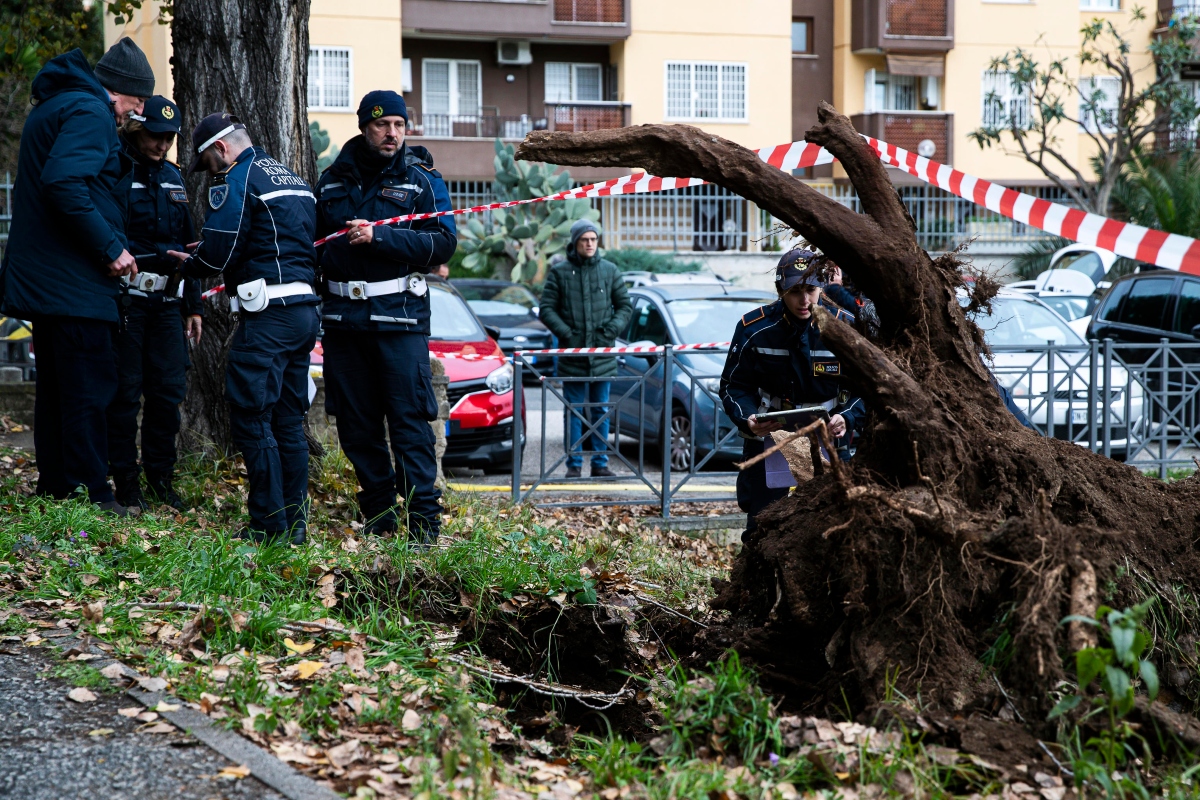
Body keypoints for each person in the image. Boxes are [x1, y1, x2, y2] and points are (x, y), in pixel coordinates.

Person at [0, 38, 154, 515]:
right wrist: (111, 248)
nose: (140, 112)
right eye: (138, 100)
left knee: (58, 390)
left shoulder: (59, 105)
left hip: (51, 281)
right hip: (74, 281)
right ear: (119, 92)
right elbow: (65, 182)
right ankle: (94, 494)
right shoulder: (90, 113)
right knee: (90, 386)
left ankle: (58, 486)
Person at [167, 113, 320, 544]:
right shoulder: (293, 178)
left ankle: (267, 526)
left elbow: (221, 250)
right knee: (289, 420)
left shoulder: (236, 177)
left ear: (221, 148)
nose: (209, 174)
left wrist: (191, 265)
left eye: (209, 163)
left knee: (253, 417)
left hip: (267, 317)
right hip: (304, 311)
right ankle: (295, 525)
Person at [313, 90, 456, 542]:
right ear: (364, 127)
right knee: (357, 427)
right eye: (381, 125)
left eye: (398, 124)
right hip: (343, 322)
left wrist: (381, 240)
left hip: (399, 320)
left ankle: (424, 527)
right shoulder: (331, 181)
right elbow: (311, 245)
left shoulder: (422, 180)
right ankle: (379, 516)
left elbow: (442, 244)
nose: (391, 133)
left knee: (410, 422)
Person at [720, 248, 866, 538]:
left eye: (811, 290)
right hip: (771, 436)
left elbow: (865, 388)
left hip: (827, 437)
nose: (804, 300)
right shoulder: (755, 328)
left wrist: (846, 418)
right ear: (780, 290)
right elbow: (733, 385)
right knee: (762, 528)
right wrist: (747, 419)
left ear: (822, 288)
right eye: (795, 291)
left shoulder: (845, 326)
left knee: (834, 526)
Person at [107, 96, 204, 512]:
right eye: (154, 135)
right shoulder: (115, 170)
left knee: (168, 393)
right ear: (136, 128)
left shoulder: (175, 178)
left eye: (169, 138)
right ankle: (126, 485)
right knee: (126, 395)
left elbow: (190, 247)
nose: (162, 144)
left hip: (168, 302)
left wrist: (194, 306)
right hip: (127, 300)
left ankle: (161, 482)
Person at [538, 220, 632, 479]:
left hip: (602, 356)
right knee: (574, 411)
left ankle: (600, 463)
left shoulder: (610, 270)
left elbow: (625, 305)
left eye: (593, 239)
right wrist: (567, 335)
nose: (590, 243)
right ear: (575, 242)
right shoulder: (560, 273)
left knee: (601, 409)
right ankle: (574, 465)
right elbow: (546, 308)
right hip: (573, 357)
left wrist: (609, 331)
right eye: (584, 240)